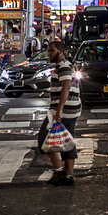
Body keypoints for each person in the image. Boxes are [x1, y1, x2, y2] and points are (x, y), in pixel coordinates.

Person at [38, 39, 82, 186]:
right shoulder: (67, 65)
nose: (49, 53)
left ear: (60, 51)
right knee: (67, 141)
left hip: (64, 110)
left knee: (44, 138)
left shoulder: (63, 66)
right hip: (73, 109)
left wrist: (59, 110)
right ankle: (69, 176)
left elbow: (66, 87)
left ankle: (59, 171)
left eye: (52, 50)